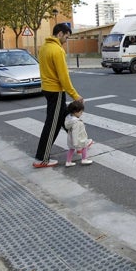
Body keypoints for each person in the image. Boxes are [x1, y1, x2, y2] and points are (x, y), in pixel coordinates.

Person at [33, 23, 84, 168]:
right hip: (55, 90)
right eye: (66, 37)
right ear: (60, 33)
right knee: (52, 125)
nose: (66, 40)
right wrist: (75, 95)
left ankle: (80, 143)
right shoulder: (57, 50)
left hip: (48, 89)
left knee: (62, 116)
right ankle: (42, 158)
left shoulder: (44, 48)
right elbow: (63, 77)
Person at [64, 100, 93, 167]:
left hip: (71, 138)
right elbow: (75, 132)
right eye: (80, 112)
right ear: (75, 112)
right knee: (84, 146)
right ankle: (84, 159)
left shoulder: (69, 118)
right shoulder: (76, 122)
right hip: (78, 138)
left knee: (71, 149)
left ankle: (68, 161)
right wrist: (75, 143)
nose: (81, 113)